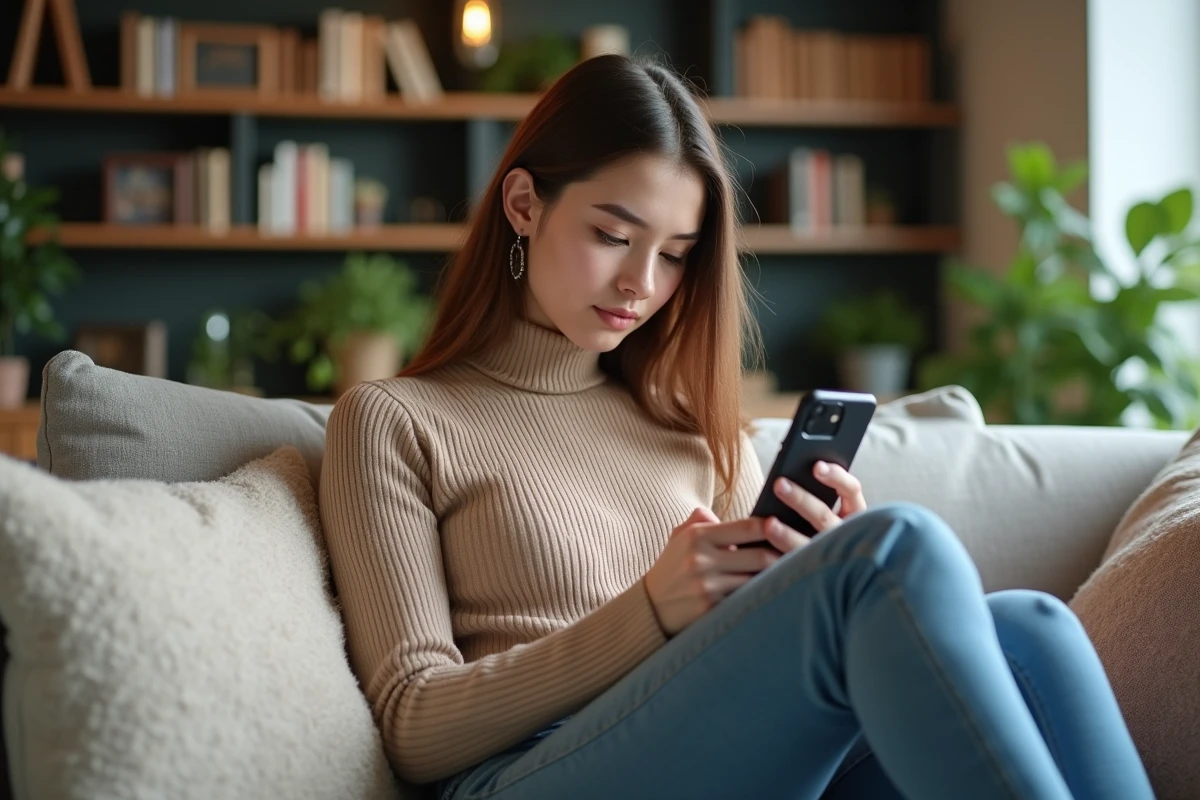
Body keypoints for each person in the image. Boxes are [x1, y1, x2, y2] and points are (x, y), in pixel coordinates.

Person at [319, 55, 1153, 800]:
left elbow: (745, 651)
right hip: (526, 771)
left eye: (676, 252)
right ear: (525, 203)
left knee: (1030, 630)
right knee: (895, 550)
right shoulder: (397, 421)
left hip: (711, 751)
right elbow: (413, 723)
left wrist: (824, 572)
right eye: (613, 235)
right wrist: (651, 609)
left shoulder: (684, 430)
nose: (641, 282)